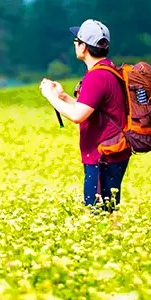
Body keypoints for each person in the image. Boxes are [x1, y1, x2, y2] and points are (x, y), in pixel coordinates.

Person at [40, 19, 131, 212]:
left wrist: (49, 95)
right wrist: (63, 96)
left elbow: (77, 116)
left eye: (77, 40)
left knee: (98, 214)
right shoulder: (108, 70)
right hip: (111, 153)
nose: (75, 43)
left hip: (102, 157)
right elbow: (91, 109)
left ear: (83, 47)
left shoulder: (96, 77)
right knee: (107, 212)